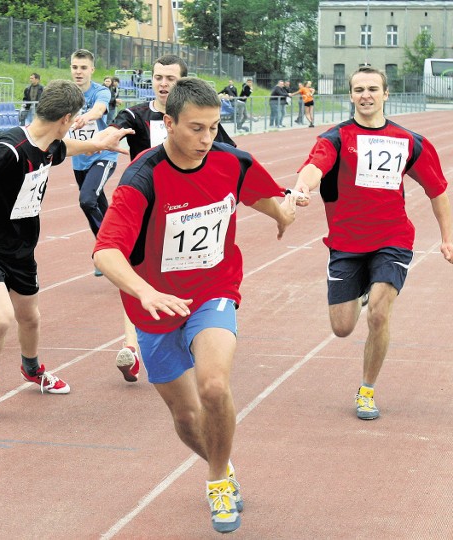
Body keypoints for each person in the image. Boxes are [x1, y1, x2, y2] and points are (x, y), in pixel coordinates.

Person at [94, 78, 298, 533]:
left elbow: (259, 192)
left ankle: (215, 482)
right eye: (196, 129)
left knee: (212, 386)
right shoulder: (141, 178)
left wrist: (284, 212)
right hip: (155, 307)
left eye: (213, 127)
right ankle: (224, 466)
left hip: (213, 290)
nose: (207, 139)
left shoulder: (230, 160)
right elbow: (105, 252)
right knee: (186, 417)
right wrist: (144, 291)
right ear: (168, 122)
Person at [0, 80, 133, 412]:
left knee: (30, 317)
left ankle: (32, 370)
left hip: (20, 245)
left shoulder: (49, 142)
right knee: (2, 317)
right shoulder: (10, 148)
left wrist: (97, 143)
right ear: (66, 119)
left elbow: (67, 149)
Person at [293, 66, 453, 420]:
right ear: (350, 95)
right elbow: (314, 167)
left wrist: (447, 237)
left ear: (386, 94)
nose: (366, 95)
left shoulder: (409, 141)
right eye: (359, 89)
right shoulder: (335, 138)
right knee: (342, 327)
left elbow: (437, 189)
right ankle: (363, 286)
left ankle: (367, 390)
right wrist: (304, 187)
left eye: (373, 89)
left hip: (393, 238)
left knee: (379, 312)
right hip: (346, 243)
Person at [104, 54, 238, 383]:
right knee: (134, 272)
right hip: (145, 211)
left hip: (186, 215)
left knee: (187, 276)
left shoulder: (199, 121)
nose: (163, 83)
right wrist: (103, 137)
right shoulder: (136, 115)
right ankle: (131, 346)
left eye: (171, 79)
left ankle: (196, 331)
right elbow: (113, 128)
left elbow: (233, 156)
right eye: (158, 77)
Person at [69, 49, 119, 246]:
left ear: (92, 70)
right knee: (97, 204)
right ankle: (117, 242)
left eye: (83, 68)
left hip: (102, 155)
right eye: (74, 67)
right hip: (79, 159)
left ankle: (104, 246)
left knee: (87, 200)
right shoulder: (66, 93)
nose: (78, 72)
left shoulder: (101, 91)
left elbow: (98, 110)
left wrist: (85, 117)